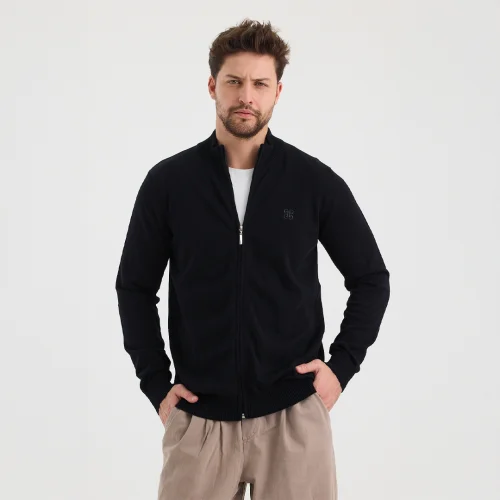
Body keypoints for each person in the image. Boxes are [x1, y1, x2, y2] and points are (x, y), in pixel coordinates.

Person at [115, 18, 390, 500]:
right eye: (234, 81)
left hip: (293, 418)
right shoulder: (169, 184)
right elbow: (134, 288)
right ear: (212, 86)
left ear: (277, 92)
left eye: (260, 84)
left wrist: (342, 367)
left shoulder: (312, 182)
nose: (246, 96)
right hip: (199, 420)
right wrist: (156, 384)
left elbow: (371, 278)